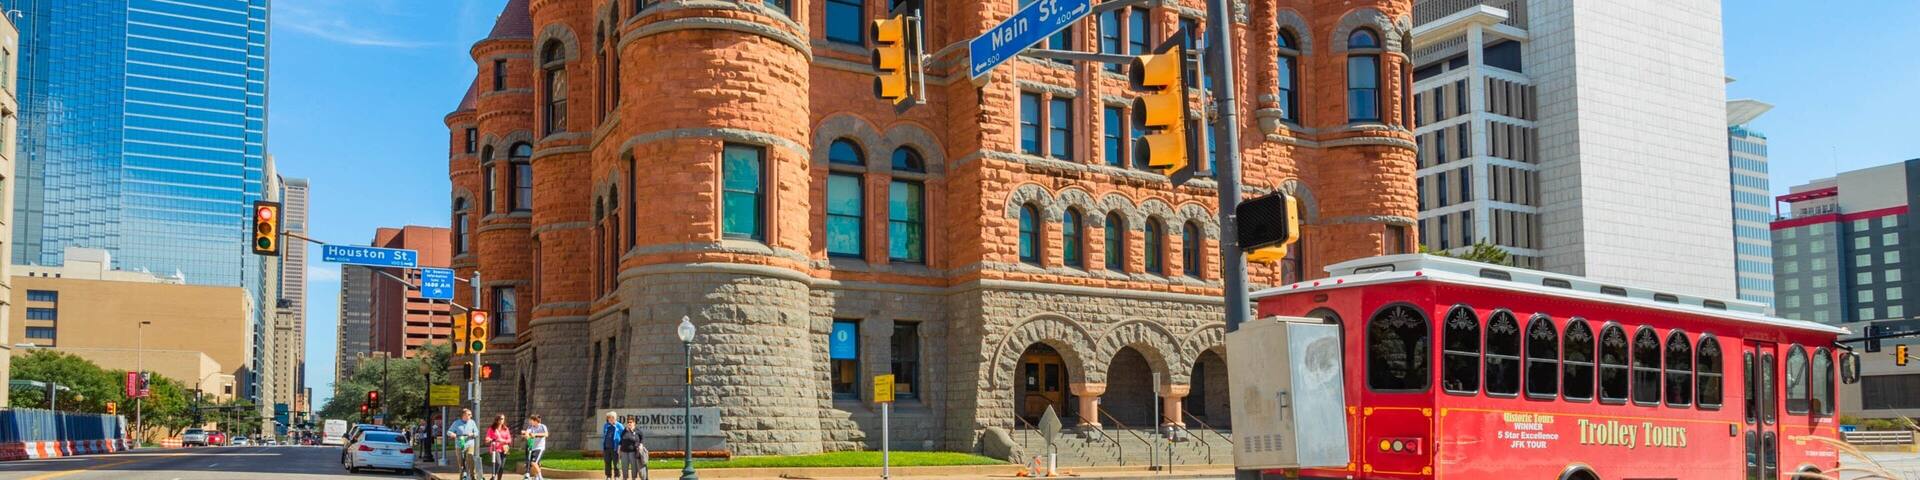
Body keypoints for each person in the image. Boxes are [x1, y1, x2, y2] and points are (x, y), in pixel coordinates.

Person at [447, 409, 480, 480]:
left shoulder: (472, 422)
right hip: (459, 445)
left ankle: (472, 477)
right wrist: (452, 434)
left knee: (470, 460)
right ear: (464, 415)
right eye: (469, 414)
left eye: (470, 414)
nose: (471, 416)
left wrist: (472, 434)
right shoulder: (456, 423)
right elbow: (448, 432)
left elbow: (477, 432)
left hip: (470, 444)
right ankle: (462, 477)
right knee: (461, 464)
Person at [617, 416, 646, 480]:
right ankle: (624, 478)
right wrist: (619, 448)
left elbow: (642, 438)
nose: (629, 423)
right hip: (624, 451)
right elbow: (621, 440)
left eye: (631, 422)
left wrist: (641, 444)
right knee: (624, 466)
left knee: (634, 466)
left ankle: (634, 478)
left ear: (634, 423)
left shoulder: (637, 430)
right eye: (628, 422)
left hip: (633, 451)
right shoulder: (625, 430)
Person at [486, 415, 513, 480]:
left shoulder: (506, 429)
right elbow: (487, 438)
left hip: (504, 449)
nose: (502, 420)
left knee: (501, 467)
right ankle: (493, 477)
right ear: (497, 420)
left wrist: (503, 441)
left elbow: (509, 439)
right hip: (495, 449)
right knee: (498, 463)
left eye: (503, 419)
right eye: (501, 419)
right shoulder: (491, 429)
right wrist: (489, 439)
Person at [522, 415, 548, 480]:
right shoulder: (531, 426)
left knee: (534, 463)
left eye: (531, 420)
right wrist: (526, 435)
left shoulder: (542, 426)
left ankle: (541, 478)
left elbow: (546, 434)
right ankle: (536, 477)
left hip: (540, 448)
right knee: (535, 463)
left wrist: (536, 435)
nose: (530, 421)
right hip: (533, 447)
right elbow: (527, 433)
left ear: (535, 421)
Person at [600, 411, 625, 479]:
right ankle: (608, 476)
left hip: (615, 448)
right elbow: (605, 435)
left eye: (612, 417)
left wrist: (621, 445)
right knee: (607, 462)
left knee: (616, 463)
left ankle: (617, 476)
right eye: (609, 418)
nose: (611, 419)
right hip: (606, 447)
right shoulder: (606, 425)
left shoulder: (619, 425)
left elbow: (624, 435)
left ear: (615, 418)